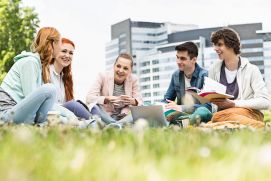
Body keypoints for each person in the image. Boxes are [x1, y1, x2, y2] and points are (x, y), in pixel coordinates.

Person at [208, 28, 271, 128]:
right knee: (211, 122)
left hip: (250, 113)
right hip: (224, 114)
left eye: (219, 44)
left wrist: (233, 104)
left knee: (216, 118)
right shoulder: (213, 69)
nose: (215, 48)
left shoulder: (252, 70)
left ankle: (262, 127)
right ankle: (243, 127)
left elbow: (265, 101)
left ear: (231, 45)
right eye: (214, 45)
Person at [0, 27, 60, 124]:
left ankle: (83, 123)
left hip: (16, 112)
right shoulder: (30, 62)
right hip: (6, 114)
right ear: (53, 43)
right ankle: (41, 124)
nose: (61, 48)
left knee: (58, 117)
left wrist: (70, 115)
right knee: (50, 89)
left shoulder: (40, 67)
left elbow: (47, 105)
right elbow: (33, 102)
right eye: (60, 43)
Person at [49, 37, 99, 121]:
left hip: (68, 114)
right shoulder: (47, 72)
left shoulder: (66, 78)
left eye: (71, 53)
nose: (67, 55)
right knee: (73, 105)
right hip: (54, 113)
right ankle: (97, 124)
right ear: (55, 51)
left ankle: (99, 123)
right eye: (64, 51)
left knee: (96, 107)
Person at [86, 53, 142, 125]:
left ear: (130, 71)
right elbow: (89, 98)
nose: (121, 70)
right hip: (106, 115)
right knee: (95, 107)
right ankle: (118, 125)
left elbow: (140, 102)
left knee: (142, 111)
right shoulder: (102, 76)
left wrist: (133, 101)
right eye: (118, 66)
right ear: (114, 66)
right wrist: (106, 99)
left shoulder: (134, 79)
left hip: (124, 116)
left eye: (125, 68)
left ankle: (114, 125)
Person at [163, 42, 212, 124]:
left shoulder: (205, 76)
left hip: (199, 115)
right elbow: (167, 99)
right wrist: (161, 106)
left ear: (194, 60)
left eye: (182, 58)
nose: (178, 61)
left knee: (202, 111)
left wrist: (181, 108)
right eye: (177, 57)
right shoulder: (176, 75)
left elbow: (207, 106)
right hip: (181, 115)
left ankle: (184, 125)